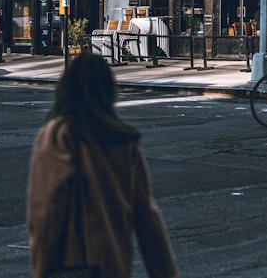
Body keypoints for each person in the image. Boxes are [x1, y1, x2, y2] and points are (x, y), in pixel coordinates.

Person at [27, 52, 180, 278]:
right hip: (113, 263)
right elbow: (146, 217)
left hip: (71, 264)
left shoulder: (58, 135)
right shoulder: (122, 140)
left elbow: (46, 210)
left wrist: (41, 267)